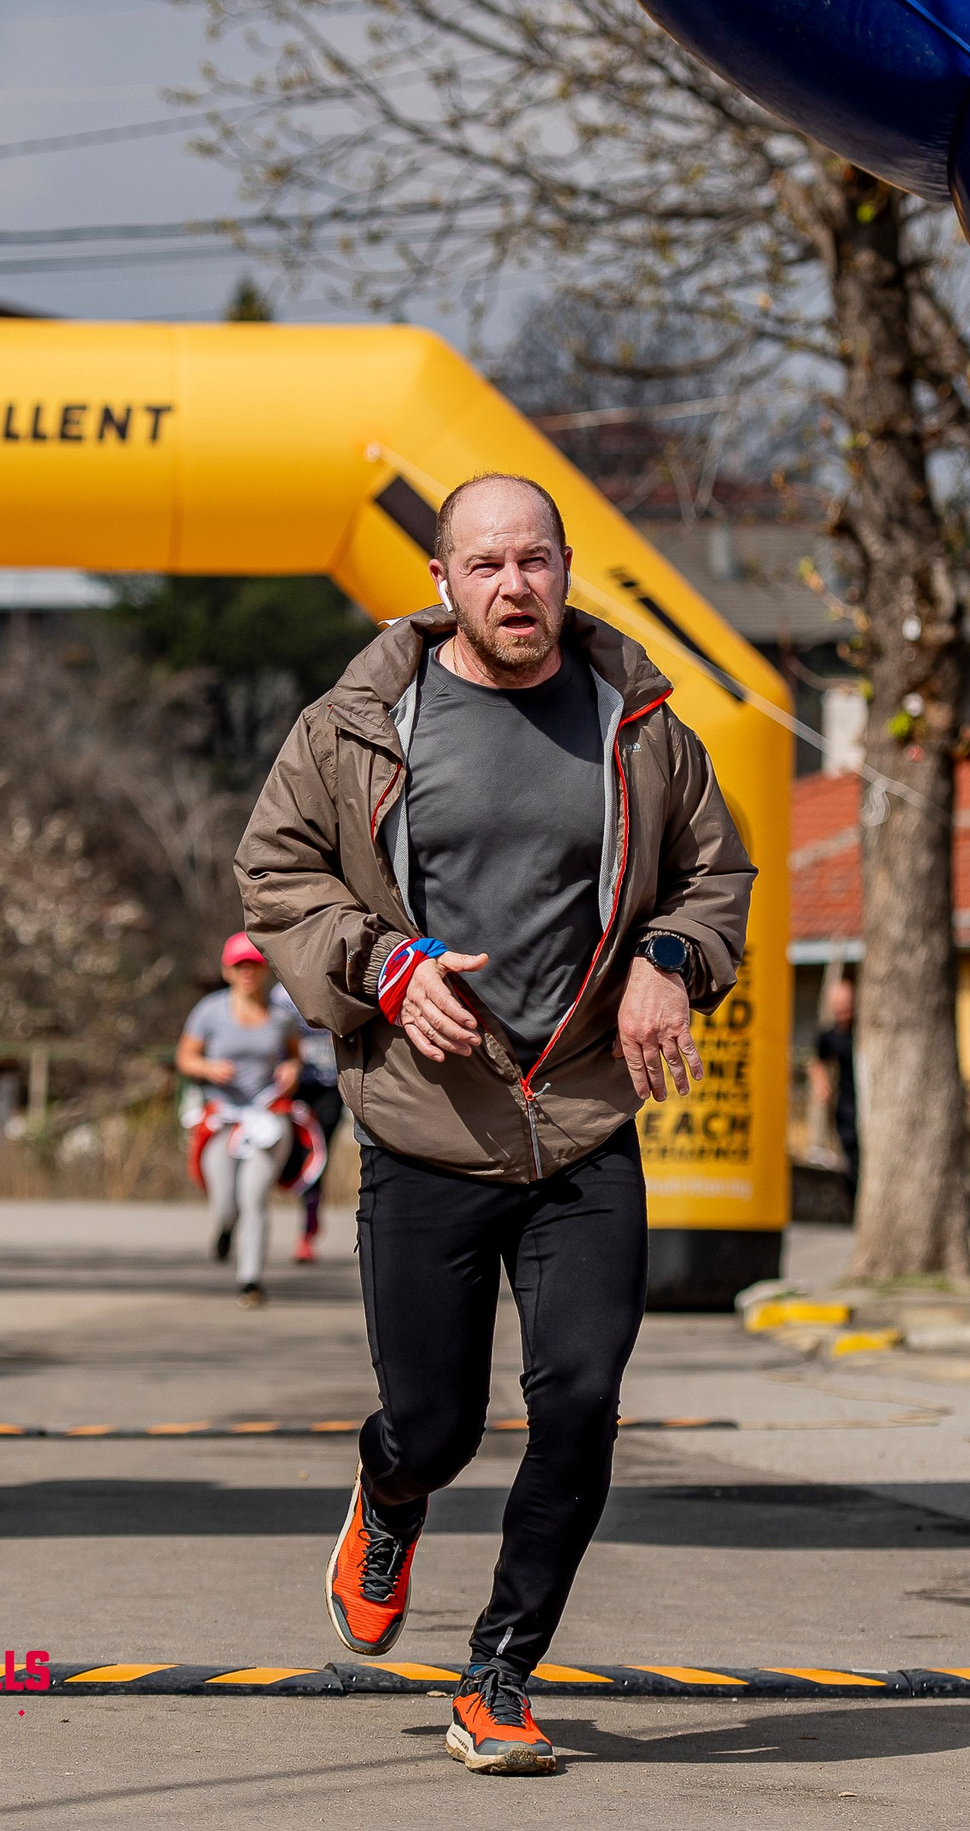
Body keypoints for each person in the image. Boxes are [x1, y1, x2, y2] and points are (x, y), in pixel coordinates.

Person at [237, 471, 753, 1778]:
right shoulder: (356, 726)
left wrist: (675, 960)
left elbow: (712, 872)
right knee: (440, 1426)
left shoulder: (637, 725)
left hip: (580, 1125)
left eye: (535, 561)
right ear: (443, 583)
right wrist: (386, 968)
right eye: (486, 566)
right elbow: (276, 876)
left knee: (580, 1401)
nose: (515, 587)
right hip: (425, 1129)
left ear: (567, 567)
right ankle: (390, 1488)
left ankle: (500, 1671)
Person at [176, 933, 304, 1308]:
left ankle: (251, 1280)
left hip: (267, 1115)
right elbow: (185, 1058)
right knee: (226, 1202)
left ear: (264, 970)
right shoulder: (209, 1011)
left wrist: (290, 1070)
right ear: (227, 970)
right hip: (223, 1116)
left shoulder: (281, 1017)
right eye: (240, 965)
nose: (247, 972)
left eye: (254, 965)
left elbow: (294, 1056)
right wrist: (208, 1067)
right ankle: (225, 1227)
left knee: (254, 1196)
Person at [282, 982, 343, 1263]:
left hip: (331, 1087)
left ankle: (306, 1232)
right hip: (295, 1088)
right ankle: (232, 1222)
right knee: (288, 1159)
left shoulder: (338, 983)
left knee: (316, 1159)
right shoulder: (279, 996)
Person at [808, 977, 860, 1191]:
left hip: (868, 1101)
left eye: (846, 1005)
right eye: (838, 1006)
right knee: (850, 1150)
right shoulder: (829, 1036)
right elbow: (816, 1061)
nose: (843, 1011)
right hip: (846, 1104)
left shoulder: (864, 1032)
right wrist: (821, 1085)